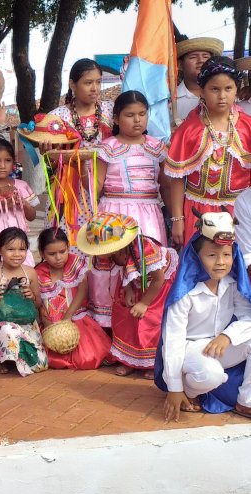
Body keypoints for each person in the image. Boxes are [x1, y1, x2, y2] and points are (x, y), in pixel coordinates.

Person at [156, 212, 251, 420]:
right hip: (189, 351)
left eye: (226, 255)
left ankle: (246, 401)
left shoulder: (232, 284)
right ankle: (188, 392)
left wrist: (228, 336)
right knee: (211, 374)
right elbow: (173, 341)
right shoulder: (185, 294)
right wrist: (174, 387)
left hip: (218, 345)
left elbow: (247, 317)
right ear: (196, 257)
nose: (220, 262)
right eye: (211, 255)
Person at [89, 90, 169, 329]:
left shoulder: (157, 147)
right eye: (130, 115)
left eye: (142, 114)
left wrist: (176, 218)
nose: (137, 120)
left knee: (149, 266)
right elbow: (96, 187)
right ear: (115, 119)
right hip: (114, 213)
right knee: (113, 269)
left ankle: (144, 332)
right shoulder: (107, 147)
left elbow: (165, 185)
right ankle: (112, 329)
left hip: (149, 215)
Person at [77, 212, 177, 379]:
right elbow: (125, 268)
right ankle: (131, 361)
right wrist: (129, 288)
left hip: (158, 286)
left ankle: (152, 362)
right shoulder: (114, 252)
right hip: (138, 282)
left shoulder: (145, 248)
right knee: (124, 314)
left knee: (150, 320)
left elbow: (158, 280)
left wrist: (144, 303)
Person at [166, 56, 251, 247]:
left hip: (239, 213)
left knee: (237, 267)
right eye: (215, 89)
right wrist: (177, 219)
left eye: (228, 88)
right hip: (197, 211)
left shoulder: (248, 127)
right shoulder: (189, 129)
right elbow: (178, 178)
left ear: (237, 89)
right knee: (200, 269)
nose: (222, 95)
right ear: (202, 91)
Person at [36, 228, 111, 370]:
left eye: (62, 252)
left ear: (68, 247)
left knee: (86, 359)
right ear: (41, 253)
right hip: (51, 322)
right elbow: (40, 303)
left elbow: (83, 291)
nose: (58, 257)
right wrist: (47, 323)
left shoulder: (76, 263)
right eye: (52, 254)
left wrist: (68, 317)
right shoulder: (38, 272)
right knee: (44, 357)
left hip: (76, 316)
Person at [0, 228, 48, 376]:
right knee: (7, 330)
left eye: (22, 249)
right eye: (10, 249)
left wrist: (32, 296)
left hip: (25, 323)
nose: (17, 254)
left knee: (40, 364)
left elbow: (37, 304)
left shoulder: (30, 272)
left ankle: (14, 356)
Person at [0, 138, 38, 267]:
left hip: (19, 243)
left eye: (8, 161)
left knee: (24, 274)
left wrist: (24, 204)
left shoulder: (21, 186)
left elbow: (32, 216)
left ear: (14, 163)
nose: (3, 166)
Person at [48, 59, 114, 147]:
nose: (94, 88)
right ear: (72, 85)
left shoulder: (111, 110)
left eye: (98, 82)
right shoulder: (58, 117)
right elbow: (53, 155)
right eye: (88, 83)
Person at [173, 37, 223, 125]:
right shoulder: (169, 100)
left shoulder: (226, 95)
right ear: (180, 65)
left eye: (206, 57)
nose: (201, 61)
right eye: (193, 57)